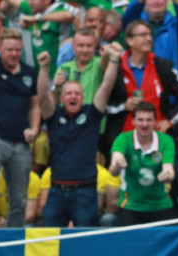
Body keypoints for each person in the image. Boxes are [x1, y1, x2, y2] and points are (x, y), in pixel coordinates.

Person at [36, 44, 120, 227]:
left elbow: (106, 88)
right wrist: (44, 68)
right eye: (68, 93)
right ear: (62, 98)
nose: (73, 96)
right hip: (56, 191)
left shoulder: (92, 115)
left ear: (82, 97)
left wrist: (113, 60)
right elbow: (42, 95)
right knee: (50, 242)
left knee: (84, 244)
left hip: (85, 192)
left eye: (77, 93)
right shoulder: (54, 116)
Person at [106, 20, 178, 140]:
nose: (149, 38)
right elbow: (103, 103)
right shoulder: (116, 68)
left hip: (157, 140)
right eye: (143, 35)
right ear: (129, 40)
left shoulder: (161, 66)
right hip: (124, 140)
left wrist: (170, 121)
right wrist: (123, 106)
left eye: (150, 34)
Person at [109, 102, 178, 226]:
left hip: (160, 204)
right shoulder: (123, 138)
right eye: (140, 120)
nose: (144, 124)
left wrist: (167, 175)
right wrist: (117, 164)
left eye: (149, 120)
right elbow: (113, 169)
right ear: (133, 121)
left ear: (155, 122)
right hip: (130, 204)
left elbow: (169, 170)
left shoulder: (166, 141)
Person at [0, 29, 40, 227]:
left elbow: (34, 104)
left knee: (19, 199)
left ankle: (10, 241)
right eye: (9, 50)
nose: (14, 54)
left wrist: (35, 129)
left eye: (18, 50)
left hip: (21, 143)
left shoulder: (30, 72)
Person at [122, 0, 178, 80]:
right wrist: (138, 2)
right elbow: (127, 20)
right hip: (144, 84)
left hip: (174, 85)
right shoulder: (136, 25)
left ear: (167, 2)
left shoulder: (177, 26)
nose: (156, 1)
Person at [54, 28, 105, 105]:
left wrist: (106, 55)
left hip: (93, 116)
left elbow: (107, 62)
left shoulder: (100, 63)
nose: (85, 50)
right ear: (73, 47)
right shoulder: (64, 68)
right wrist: (56, 88)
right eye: (80, 45)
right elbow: (55, 103)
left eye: (89, 46)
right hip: (67, 116)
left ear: (95, 46)